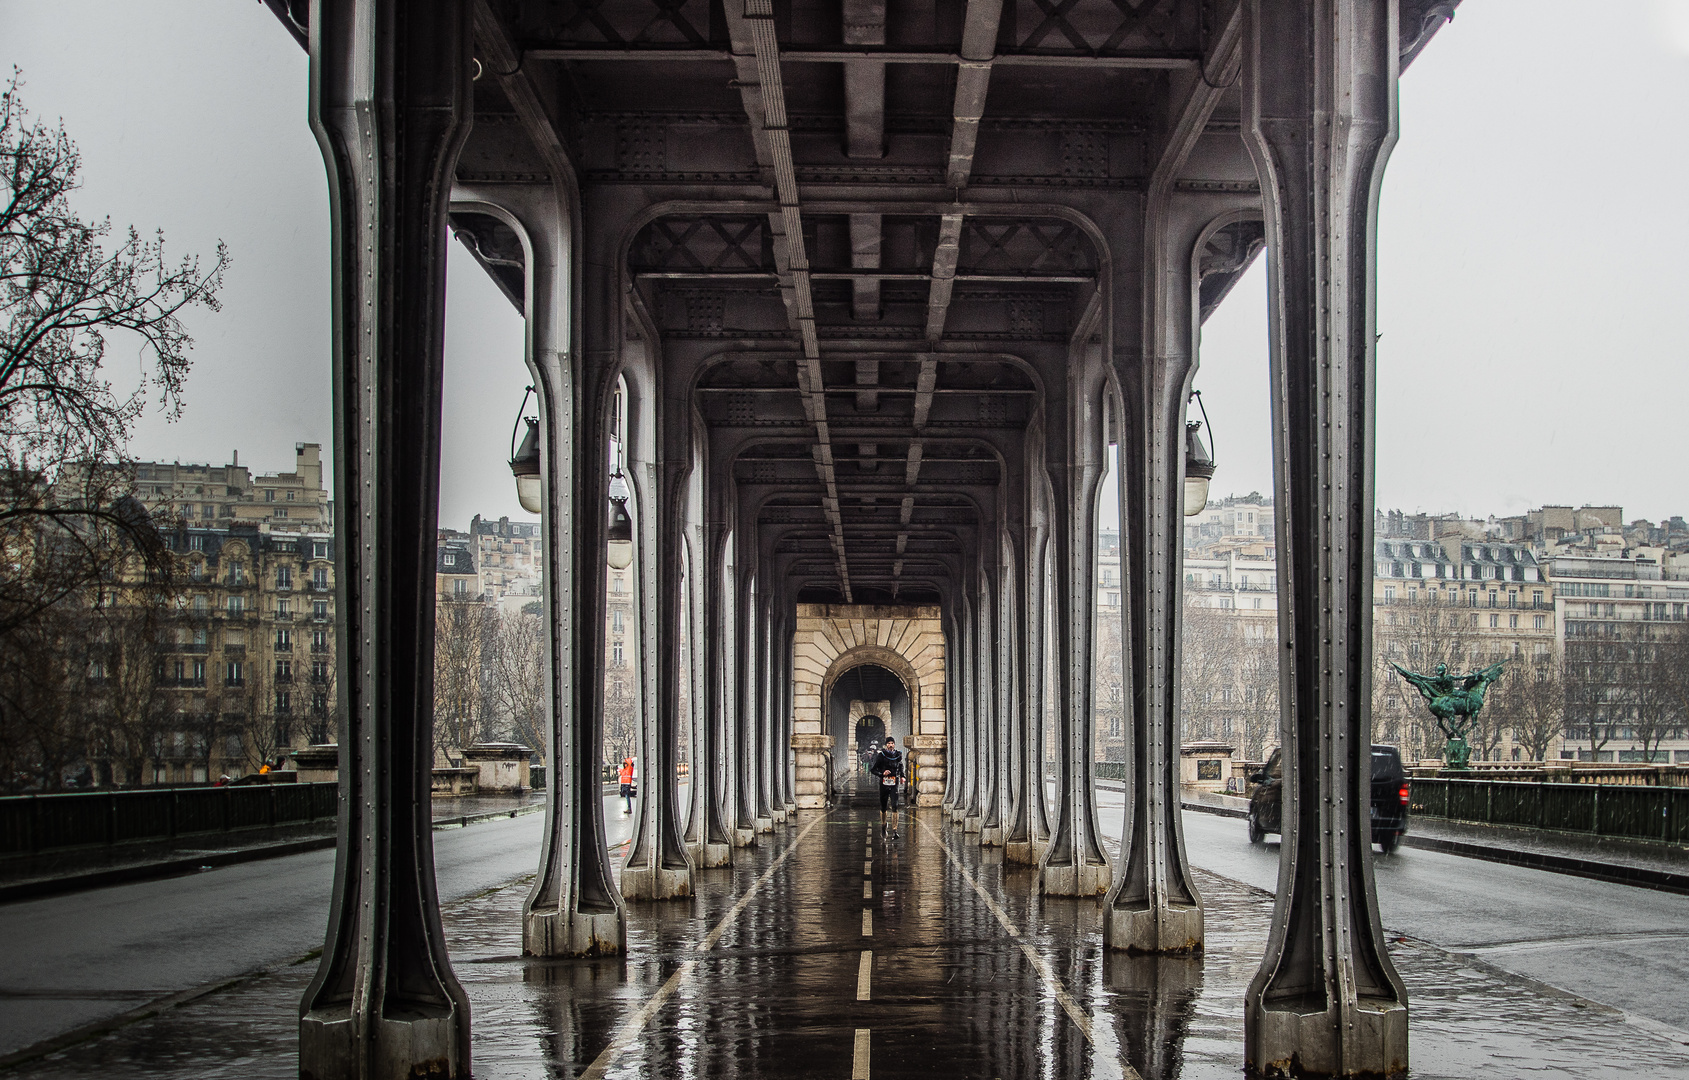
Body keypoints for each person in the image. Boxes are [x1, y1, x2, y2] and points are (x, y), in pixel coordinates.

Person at [868, 736, 904, 839]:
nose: (890, 745)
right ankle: (883, 825)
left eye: (892, 743)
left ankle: (895, 830)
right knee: (883, 807)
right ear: (886, 745)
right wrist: (882, 773)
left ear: (894, 744)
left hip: (894, 783)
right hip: (884, 783)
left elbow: (900, 766)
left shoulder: (898, 755)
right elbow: (873, 769)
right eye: (888, 743)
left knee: (895, 805)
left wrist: (902, 776)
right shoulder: (881, 756)